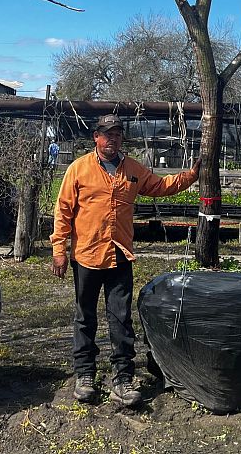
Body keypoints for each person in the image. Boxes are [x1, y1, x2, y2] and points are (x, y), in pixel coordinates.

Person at [51, 116, 200, 407]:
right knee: (85, 317)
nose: (113, 140)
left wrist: (190, 176)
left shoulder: (131, 169)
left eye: (118, 135)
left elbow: (159, 185)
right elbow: (63, 211)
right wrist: (59, 249)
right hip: (87, 256)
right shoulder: (78, 169)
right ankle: (85, 375)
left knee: (120, 318)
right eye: (107, 135)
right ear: (96, 137)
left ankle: (123, 378)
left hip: (120, 255)